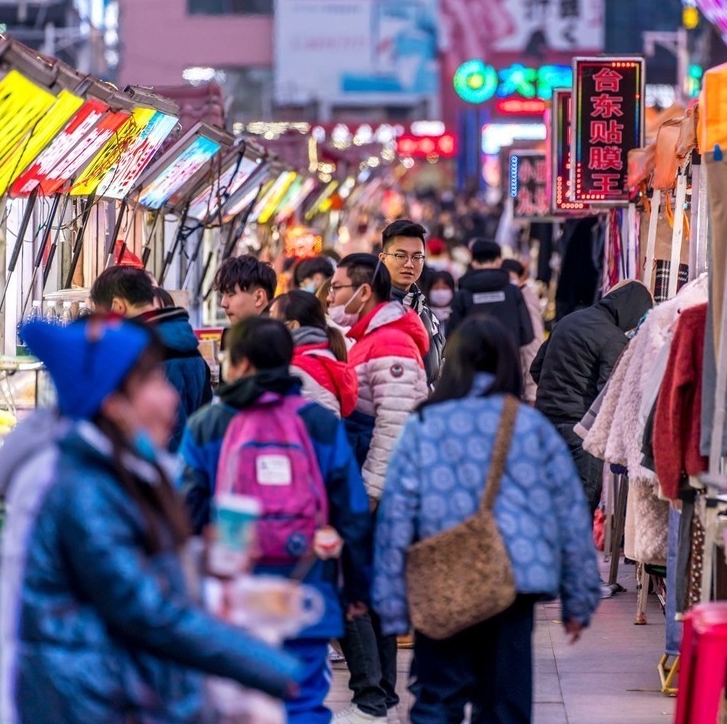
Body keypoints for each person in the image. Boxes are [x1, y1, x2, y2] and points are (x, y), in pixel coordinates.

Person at [4, 315, 302, 723]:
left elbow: (133, 577)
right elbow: (148, 611)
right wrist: (269, 666)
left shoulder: (124, 469)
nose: (172, 399)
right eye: (154, 383)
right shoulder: (82, 489)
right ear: (112, 402)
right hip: (87, 702)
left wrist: (199, 559)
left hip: (119, 694)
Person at [374, 317, 601, 724]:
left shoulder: (423, 426)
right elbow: (569, 515)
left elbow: (395, 516)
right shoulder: (531, 428)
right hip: (512, 582)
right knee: (504, 707)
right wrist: (579, 598)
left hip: (440, 579)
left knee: (436, 703)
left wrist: (392, 604)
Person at [179, 317, 373, 724]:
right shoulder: (318, 422)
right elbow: (351, 510)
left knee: (235, 701)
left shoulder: (208, 424)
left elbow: (186, 513)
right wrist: (356, 588)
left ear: (242, 363)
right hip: (306, 586)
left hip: (233, 593)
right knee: (302, 700)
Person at [327, 253, 429, 724]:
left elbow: (396, 424)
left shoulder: (389, 342)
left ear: (364, 291)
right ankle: (381, 696)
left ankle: (375, 697)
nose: (331, 297)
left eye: (338, 287)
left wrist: (370, 492)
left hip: (381, 489)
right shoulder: (369, 337)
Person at [531, 281, 653, 515]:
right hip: (580, 430)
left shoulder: (568, 321)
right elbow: (609, 393)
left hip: (545, 422)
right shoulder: (613, 338)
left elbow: (536, 368)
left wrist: (556, 393)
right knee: (581, 503)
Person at [90, 266, 211, 452]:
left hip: (162, 471)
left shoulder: (146, 354)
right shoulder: (187, 343)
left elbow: (163, 436)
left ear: (117, 307)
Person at [269, 290, 358, 418]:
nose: (268, 326)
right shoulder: (320, 354)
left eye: (273, 319)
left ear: (293, 326)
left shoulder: (298, 368)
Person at [379, 220, 445, 386]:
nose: (409, 264)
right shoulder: (372, 311)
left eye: (417, 257)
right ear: (382, 258)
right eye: (401, 256)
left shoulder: (426, 313)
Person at [447, 239, 534, 349]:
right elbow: (527, 335)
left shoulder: (462, 295)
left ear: (473, 262)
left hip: (472, 362)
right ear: (499, 261)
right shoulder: (513, 292)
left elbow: (452, 335)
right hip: (507, 361)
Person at [503, 259, 545, 404]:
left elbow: (533, 347)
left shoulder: (525, 298)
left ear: (522, 278)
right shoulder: (514, 297)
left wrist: (531, 393)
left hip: (523, 387)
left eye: (512, 278)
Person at [216, 255, 277, 324]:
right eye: (223, 295)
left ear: (258, 298)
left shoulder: (273, 333)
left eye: (231, 294)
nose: (223, 303)